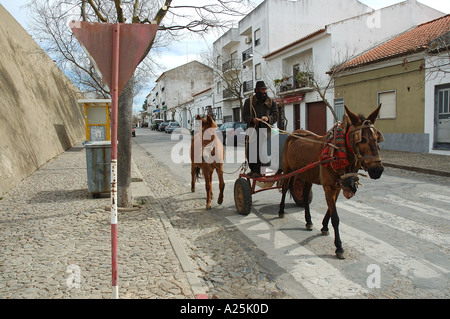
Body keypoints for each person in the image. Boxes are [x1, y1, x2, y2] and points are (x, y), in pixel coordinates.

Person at [242, 81, 278, 177]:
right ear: (257, 90)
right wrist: (253, 119)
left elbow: (275, 115)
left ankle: (261, 170)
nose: (264, 91)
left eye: (265, 89)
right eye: (262, 89)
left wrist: (268, 118)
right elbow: (244, 116)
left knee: (263, 150)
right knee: (251, 151)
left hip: (266, 131)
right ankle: (254, 170)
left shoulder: (271, 102)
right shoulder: (248, 102)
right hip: (252, 130)